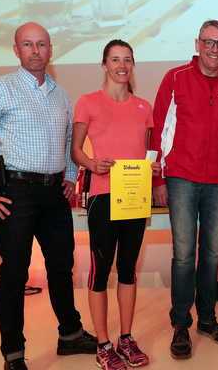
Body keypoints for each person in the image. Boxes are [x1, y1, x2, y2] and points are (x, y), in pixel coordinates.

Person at [0, 22, 97, 370]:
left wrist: (71, 176)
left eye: (41, 44)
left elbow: (68, 142)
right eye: (28, 45)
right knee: (15, 274)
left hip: (54, 194)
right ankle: (13, 353)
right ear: (16, 50)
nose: (35, 51)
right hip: (16, 194)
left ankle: (70, 334)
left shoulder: (61, 95)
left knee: (61, 267)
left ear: (51, 50)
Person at [150, 19, 218, 360]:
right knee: (184, 254)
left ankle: (207, 319)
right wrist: (159, 179)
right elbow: (159, 129)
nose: (215, 49)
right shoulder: (175, 78)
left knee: (212, 254)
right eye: (209, 42)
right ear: (197, 43)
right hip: (181, 178)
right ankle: (181, 324)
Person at [71, 39, 160, 370]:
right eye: (115, 59)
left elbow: (146, 153)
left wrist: (152, 167)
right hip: (103, 197)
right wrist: (92, 164)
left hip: (135, 199)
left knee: (128, 270)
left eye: (127, 60)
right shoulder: (88, 102)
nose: (122, 65)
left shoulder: (144, 108)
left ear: (133, 65)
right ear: (104, 64)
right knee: (100, 271)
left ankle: (126, 338)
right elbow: (76, 151)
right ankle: (103, 344)